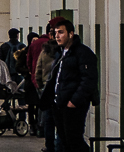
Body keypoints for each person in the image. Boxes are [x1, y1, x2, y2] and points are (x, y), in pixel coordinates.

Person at [40, 17, 97, 152]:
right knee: (64, 140)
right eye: (55, 33)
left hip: (72, 105)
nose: (57, 36)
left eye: (61, 32)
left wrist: (74, 101)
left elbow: (88, 79)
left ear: (70, 34)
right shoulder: (61, 53)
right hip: (59, 103)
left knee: (74, 140)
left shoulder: (82, 53)